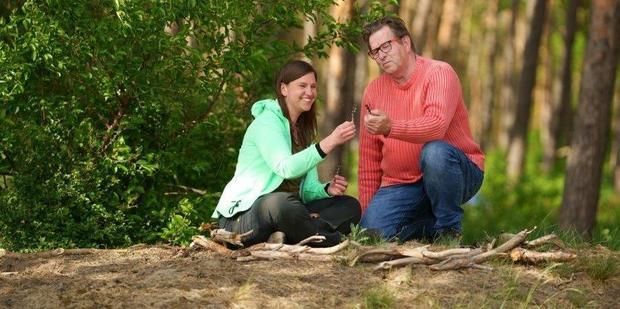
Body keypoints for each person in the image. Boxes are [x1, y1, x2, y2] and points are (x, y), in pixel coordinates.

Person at [358, 17, 484, 242]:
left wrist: (390, 127)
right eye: (375, 52)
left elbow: (435, 126)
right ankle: (428, 229)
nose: (381, 55)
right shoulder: (373, 92)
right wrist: (367, 216)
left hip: (455, 173)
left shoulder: (439, 73)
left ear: (405, 43)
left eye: (386, 46)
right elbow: (369, 160)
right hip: (401, 184)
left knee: (434, 152)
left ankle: (448, 231)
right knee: (370, 237)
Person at [212, 60, 361, 247]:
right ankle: (336, 240)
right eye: (302, 86)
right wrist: (329, 142)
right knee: (282, 204)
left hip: (288, 211)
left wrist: (326, 190)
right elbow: (285, 168)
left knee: (349, 206)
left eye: (313, 86)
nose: (310, 92)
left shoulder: (303, 131)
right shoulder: (267, 123)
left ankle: (287, 236)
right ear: (284, 89)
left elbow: (306, 191)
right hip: (242, 218)